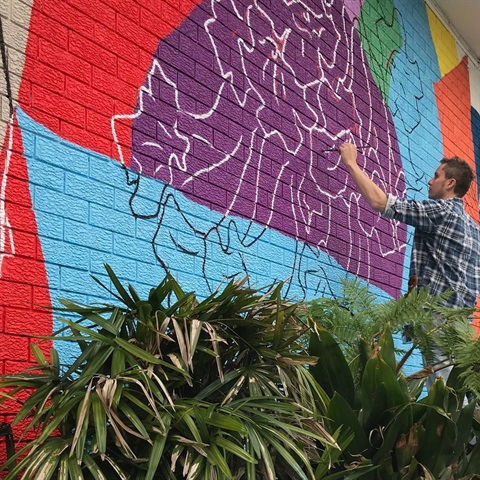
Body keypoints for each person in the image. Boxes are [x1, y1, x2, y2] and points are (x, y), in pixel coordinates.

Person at [338, 141, 480, 387]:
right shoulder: (474, 228)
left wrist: (351, 163)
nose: (429, 181)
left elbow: (382, 203)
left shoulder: (442, 212)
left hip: (438, 317)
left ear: (450, 183)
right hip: (461, 323)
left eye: (436, 176)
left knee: (441, 393)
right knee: (456, 392)